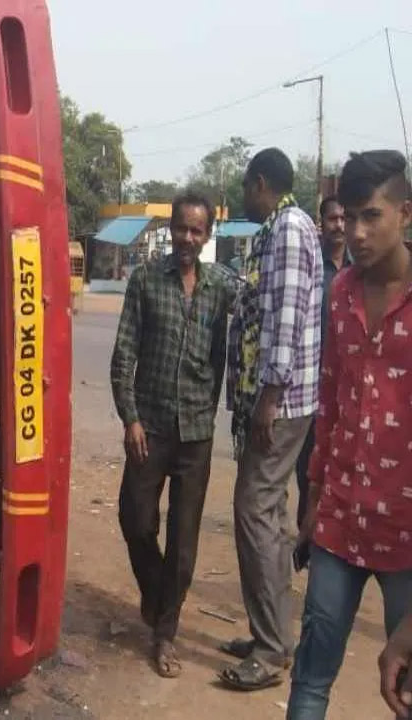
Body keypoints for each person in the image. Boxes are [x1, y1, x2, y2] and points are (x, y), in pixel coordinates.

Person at [286, 150, 412, 719]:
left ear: (404, 213)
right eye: (347, 218)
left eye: (371, 216)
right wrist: (312, 505)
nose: (356, 233)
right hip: (339, 522)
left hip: (408, 538)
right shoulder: (339, 292)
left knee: (404, 690)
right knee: (310, 680)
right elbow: (330, 404)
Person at [110, 192, 236, 679]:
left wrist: (215, 404)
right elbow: (124, 352)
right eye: (181, 228)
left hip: (197, 433)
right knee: (135, 519)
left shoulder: (220, 288)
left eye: (197, 231)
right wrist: (131, 418)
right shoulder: (145, 280)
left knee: (184, 542)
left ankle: (165, 633)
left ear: (206, 237)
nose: (187, 239)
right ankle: (157, 591)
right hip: (151, 426)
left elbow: (229, 349)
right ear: (171, 230)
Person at [220, 147, 324, 691]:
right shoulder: (286, 228)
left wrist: (268, 398)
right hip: (281, 398)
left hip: (279, 402)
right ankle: (276, 635)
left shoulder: (286, 228)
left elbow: (284, 318)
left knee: (253, 511)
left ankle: (269, 649)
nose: (243, 197)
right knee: (273, 514)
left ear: (261, 183)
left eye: (244, 187)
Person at [293, 196, 349, 540]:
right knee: (309, 471)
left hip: (351, 390)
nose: (340, 225)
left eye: (345, 218)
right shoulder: (311, 266)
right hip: (314, 390)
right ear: (321, 223)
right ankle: (307, 541)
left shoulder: (361, 269)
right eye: (333, 219)